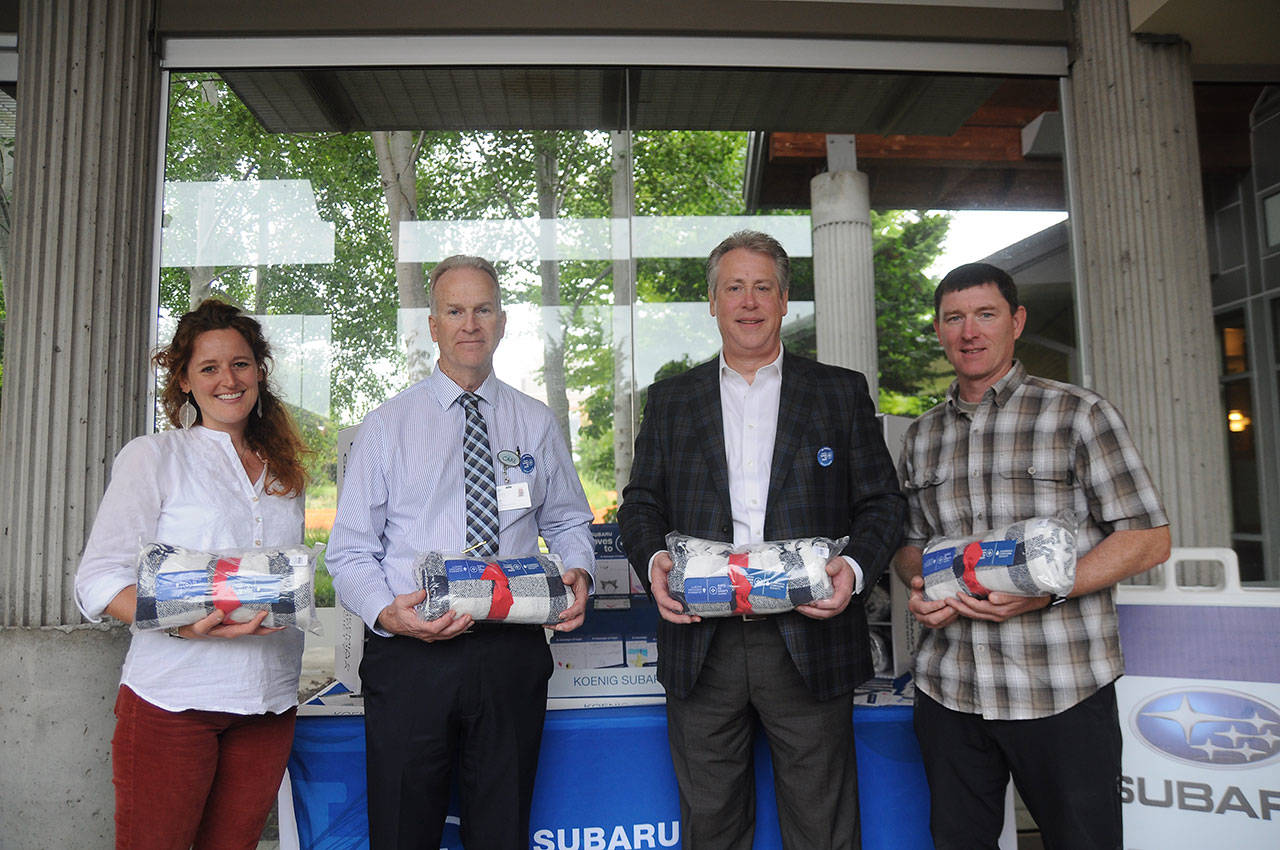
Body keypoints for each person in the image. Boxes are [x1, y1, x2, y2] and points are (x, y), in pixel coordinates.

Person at [617, 230, 906, 850]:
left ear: (783, 302)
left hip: (809, 636)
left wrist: (852, 570)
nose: (748, 302)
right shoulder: (670, 401)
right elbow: (639, 505)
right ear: (713, 303)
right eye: (733, 288)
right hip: (703, 646)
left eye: (763, 287)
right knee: (711, 827)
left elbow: (883, 503)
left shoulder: (838, 392)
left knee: (822, 828)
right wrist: (655, 560)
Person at [893, 262, 1171, 850]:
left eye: (985, 314)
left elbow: (1147, 536)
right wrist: (923, 586)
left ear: (1015, 322)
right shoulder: (921, 436)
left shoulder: (1078, 414)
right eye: (954, 318)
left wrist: (1050, 590)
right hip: (951, 689)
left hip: (1060, 686)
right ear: (940, 330)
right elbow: (911, 545)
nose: (969, 331)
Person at [325, 254, 595, 849]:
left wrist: (577, 571)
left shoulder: (537, 422)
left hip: (511, 654)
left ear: (502, 322)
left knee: (501, 833)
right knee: (403, 832)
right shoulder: (386, 427)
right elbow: (347, 552)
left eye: (483, 309)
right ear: (433, 325)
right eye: (455, 310)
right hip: (412, 656)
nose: (470, 323)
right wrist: (386, 614)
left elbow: (571, 519)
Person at [75, 299, 311, 849]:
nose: (228, 380)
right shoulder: (154, 456)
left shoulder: (286, 472)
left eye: (241, 364)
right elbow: (98, 579)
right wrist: (181, 623)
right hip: (173, 702)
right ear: (184, 380)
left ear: (259, 371)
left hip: (267, 702)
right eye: (209, 368)